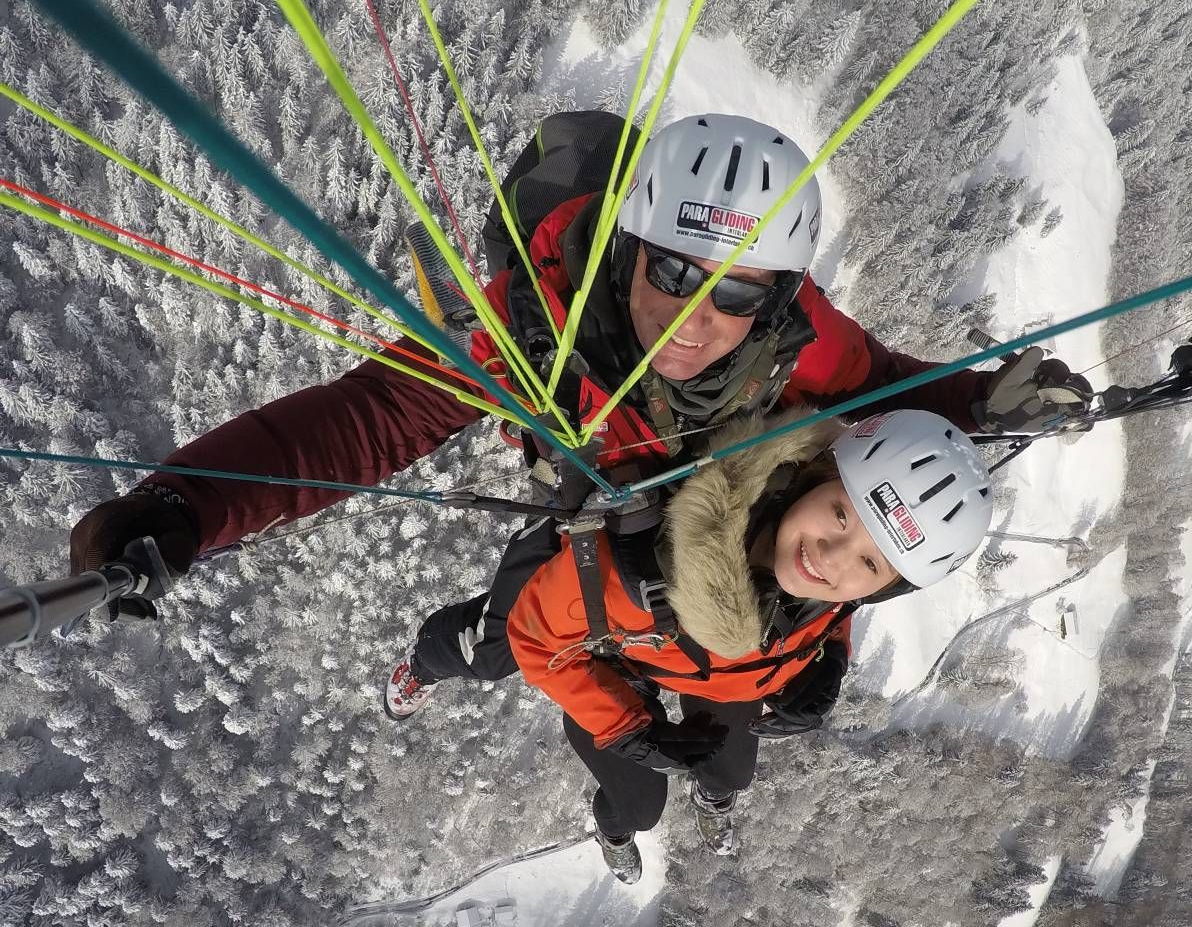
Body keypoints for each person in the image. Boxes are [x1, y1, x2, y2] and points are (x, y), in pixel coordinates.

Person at [67, 111, 1090, 684]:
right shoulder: (525, 328)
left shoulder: (807, 347)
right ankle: (438, 661)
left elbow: (894, 395)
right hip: (600, 499)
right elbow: (366, 418)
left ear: (777, 295)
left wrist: (984, 404)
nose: (696, 314)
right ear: (629, 247)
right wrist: (183, 506)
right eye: (675, 271)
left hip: (733, 515)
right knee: (512, 633)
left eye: (737, 291)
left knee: (800, 664)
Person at [503, 406, 995, 878]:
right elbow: (532, 638)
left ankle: (711, 799)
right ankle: (616, 832)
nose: (832, 558)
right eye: (841, 515)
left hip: (731, 682)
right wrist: (625, 728)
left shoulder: (830, 589)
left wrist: (831, 658)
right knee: (639, 805)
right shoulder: (629, 574)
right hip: (632, 665)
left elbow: (839, 606)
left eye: (870, 565)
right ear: (814, 473)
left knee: (731, 775)